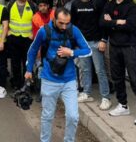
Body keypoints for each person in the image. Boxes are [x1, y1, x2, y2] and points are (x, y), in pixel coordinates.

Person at [25, 8, 91, 142]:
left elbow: (88, 50)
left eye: (67, 23)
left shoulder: (74, 30)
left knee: (73, 116)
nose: (64, 26)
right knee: (47, 115)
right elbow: (32, 50)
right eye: (61, 23)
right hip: (49, 79)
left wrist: (71, 52)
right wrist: (28, 70)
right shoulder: (44, 31)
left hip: (69, 80)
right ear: (54, 19)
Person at [70, 0, 111, 110]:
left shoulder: (98, 2)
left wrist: (104, 40)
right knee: (85, 69)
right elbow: (73, 25)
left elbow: (104, 23)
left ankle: (106, 97)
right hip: (82, 44)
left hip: (96, 41)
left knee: (100, 70)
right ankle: (86, 93)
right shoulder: (75, 4)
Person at [7, 0, 34, 90]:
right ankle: (17, 84)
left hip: (28, 39)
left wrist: (33, 34)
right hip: (14, 38)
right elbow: (6, 20)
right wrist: (8, 33)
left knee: (27, 62)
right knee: (15, 63)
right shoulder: (10, 5)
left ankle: (26, 84)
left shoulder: (32, 5)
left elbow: (36, 20)